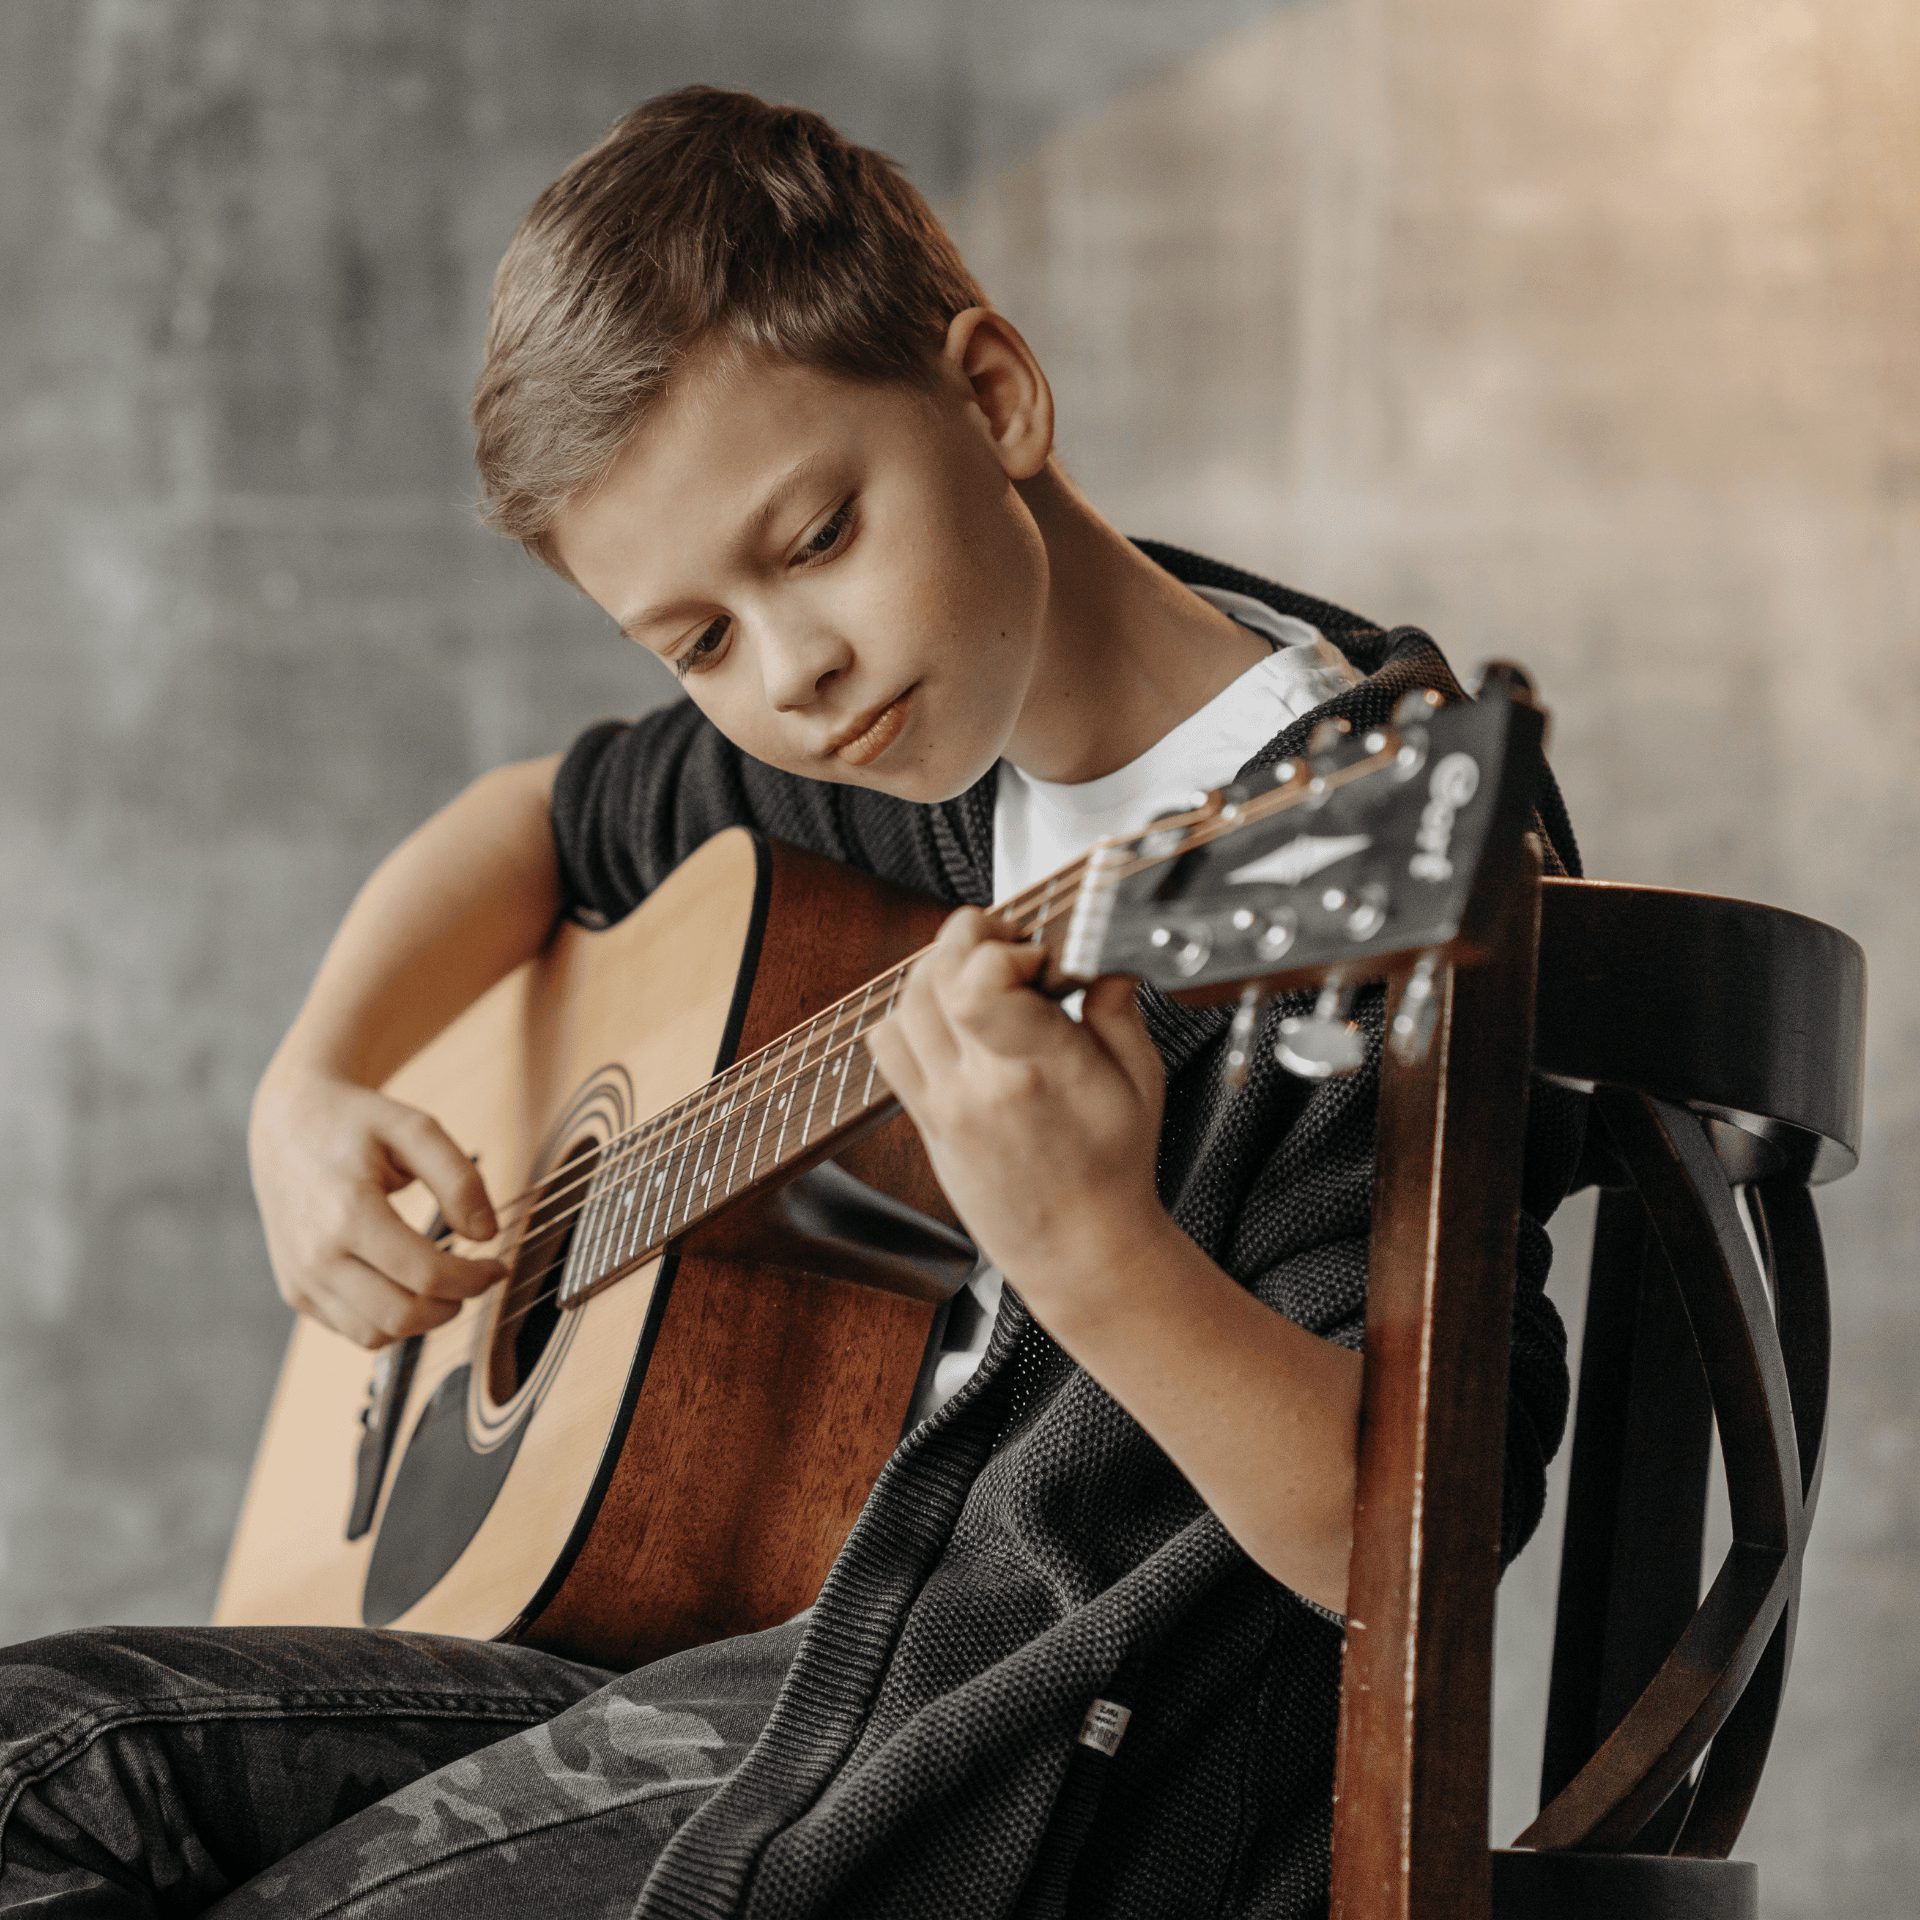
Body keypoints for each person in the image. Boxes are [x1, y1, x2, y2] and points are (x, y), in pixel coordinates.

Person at [0, 85, 1587, 1917]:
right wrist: (308, 1088)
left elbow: (1412, 1551)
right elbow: (529, 821)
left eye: (818, 537)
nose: (793, 671)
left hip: (1027, 1781)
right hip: (775, 1677)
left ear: (992, 397)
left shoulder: (1351, 820)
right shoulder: (923, 760)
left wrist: (1091, 1249)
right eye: (696, 643)